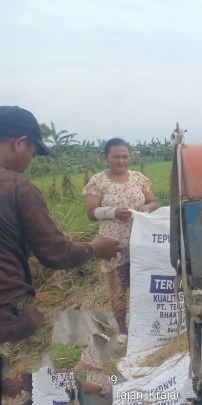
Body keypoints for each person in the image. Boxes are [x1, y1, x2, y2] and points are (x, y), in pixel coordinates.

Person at [0, 106, 122, 398]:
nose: (30, 162)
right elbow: (57, 255)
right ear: (20, 143)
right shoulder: (16, 186)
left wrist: (31, 244)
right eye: (33, 153)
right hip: (7, 311)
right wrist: (94, 247)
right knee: (33, 373)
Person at [83, 138, 158, 346]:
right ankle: (123, 330)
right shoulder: (98, 181)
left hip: (139, 241)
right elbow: (91, 213)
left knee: (141, 284)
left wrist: (147, 208)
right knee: (117, 289)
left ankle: (144, 325)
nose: (121, 161)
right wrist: (113, 212)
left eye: (125, 156)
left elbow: (153, 202)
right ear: (106, 158)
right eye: (116, 157)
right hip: (112, 243)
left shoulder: (138, 178)